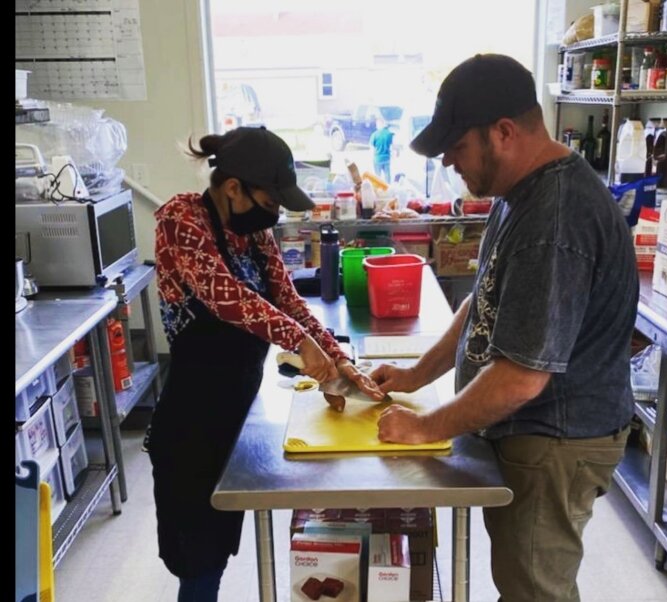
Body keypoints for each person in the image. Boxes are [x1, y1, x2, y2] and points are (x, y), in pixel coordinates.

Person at [372, 54, 638, 602]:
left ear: (505, 132)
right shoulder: (518, 197)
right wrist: (415, 376)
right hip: (532, 430)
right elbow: (482, 302)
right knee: (521, 582)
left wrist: (426, 428)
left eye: (458, 147)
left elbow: (520, 378)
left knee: (533, 591)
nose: (448, 161)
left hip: (556, 438)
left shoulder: (554, 218)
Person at [147, 125, 384, 601]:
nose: (273, 214)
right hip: (190, 426)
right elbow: (225, 297)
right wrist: (299, 343)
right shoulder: (181, 218)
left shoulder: (253, 236)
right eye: (270, 201)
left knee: (222, 544)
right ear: (233, 188)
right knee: (199, 563)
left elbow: (291, 304)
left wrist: (340, 363)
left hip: (236, 418)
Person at [369, 117, 395, 182]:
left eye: (376, 124)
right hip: (386, 158)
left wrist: (372, 157)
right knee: (387, 176)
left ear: (378, 124)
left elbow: (371, 147)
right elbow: (391, 146)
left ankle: (378, 189)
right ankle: (388, 188)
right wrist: (392, 155)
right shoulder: (389, 134)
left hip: (377, 158)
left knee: (377, 177)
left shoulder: (374, 134)